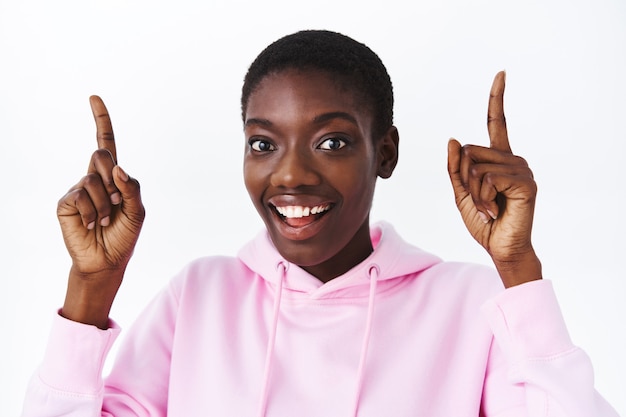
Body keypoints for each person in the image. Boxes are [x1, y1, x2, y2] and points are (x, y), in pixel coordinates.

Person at [22, 30, 619, 416]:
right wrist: (90, 288)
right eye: (263, 144)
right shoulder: (199, 298)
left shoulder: (470, 303)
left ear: (384, 152)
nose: (290, 176)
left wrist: (518, 268)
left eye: (331, 141)